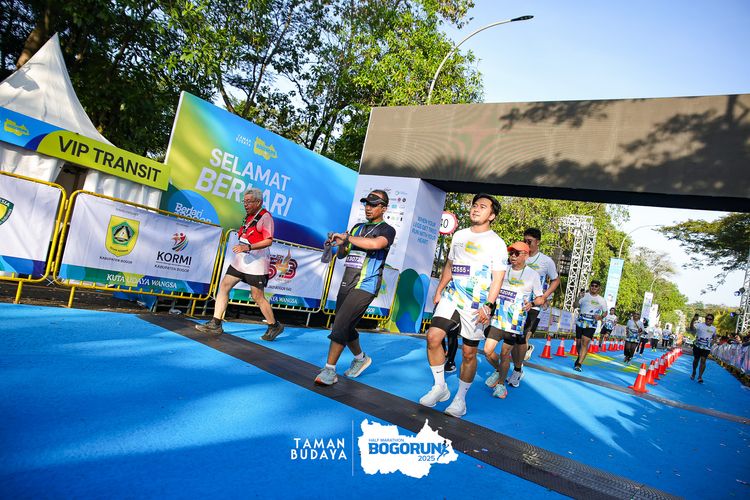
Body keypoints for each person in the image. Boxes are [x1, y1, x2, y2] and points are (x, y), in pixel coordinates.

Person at [418, 194, 506, 418]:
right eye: (475, 205)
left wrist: (489, 305)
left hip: (477, 304)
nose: (476, 209)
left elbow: (498, 278)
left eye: (483, 207)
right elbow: (450, 265)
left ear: (492, 216)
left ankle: (460, 399)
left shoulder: (496, 243)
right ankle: (440, 387)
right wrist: (439, 289)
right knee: (433, 337)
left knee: (468, 353)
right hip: (452, 296)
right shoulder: (459, 235)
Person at [314, 190, 396, 386]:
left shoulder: (387, 230)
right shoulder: (358, 227)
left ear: (383, 208)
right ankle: (361, 359)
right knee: (345, 325)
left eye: (373, 204)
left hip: (366, 285)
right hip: (348, 281)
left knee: (341, 323)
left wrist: (348, 238)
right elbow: (343, 255)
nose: (368, 207)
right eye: (366, 203)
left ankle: (329, 370)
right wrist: (341, 244)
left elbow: (375, 244)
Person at [196, 188, 284, 340]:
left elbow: (268, 241)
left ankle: (274, 325)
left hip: (256, 263)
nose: (245, 204)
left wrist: (247, 247)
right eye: (244, 201)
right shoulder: (249, 216)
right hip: (241, 261)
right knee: (224, 286)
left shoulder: (265, 217)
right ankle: (216, 324)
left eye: (249, 201)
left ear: (259, 202)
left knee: (257, 296)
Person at [483, 241, 544, 399]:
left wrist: (532, 303)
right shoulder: (504, 269)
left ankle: (501, 386)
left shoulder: (533, 275)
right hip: (498, 318)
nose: (513, 256)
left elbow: (540, 298)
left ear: (526, 255)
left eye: (517, 253)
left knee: (505, 354)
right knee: (487, 351)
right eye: (511, 253)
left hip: (515, 322)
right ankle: (500, 371)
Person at [509, 228, 560, 387]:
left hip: (534, 305)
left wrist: (544, 296)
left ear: (538, 242)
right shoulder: (518, 255)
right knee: (513, 338)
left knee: (522, 336)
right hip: (515, 303)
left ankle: (517, 370)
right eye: (524, 240)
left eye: (529, 241)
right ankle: (516, 365)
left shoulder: (546, 261)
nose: (526, 243)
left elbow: (556, 280)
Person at [572, 280, 608, 371]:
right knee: (578, 343)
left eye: (596, 286)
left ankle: (579, 364)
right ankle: (580, 356)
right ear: (590, 286)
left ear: (599, 288)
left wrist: (600, 317)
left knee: (585, 342)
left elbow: (605, 312)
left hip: (592, 323)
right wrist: (578, 297)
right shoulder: (584, 295)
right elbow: (575, 305)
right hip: (581, 321)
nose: (594, 287)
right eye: (592, 285)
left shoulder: (601, 300)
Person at [689, 313, 717, 383]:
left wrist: (713, 342)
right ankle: (694, 372)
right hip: (697, 345)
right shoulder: (699, 325)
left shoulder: (713, 328)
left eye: (710, 319)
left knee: (703, 360)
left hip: (706, 347)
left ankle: (700, 376)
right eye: (707, 318)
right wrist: (693, 320)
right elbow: (691, 328)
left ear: (712, 320)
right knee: (696, 360)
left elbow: (714, 337)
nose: (708, 320)